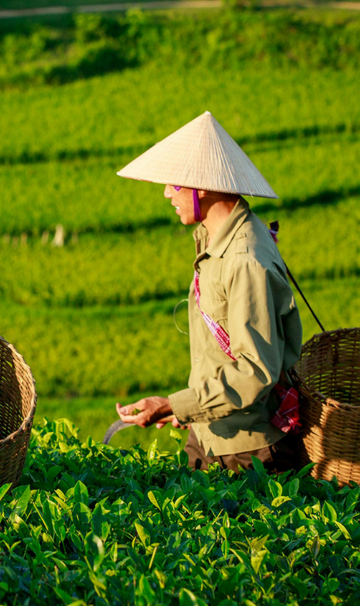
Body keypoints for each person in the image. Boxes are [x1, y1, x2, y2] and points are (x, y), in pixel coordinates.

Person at [114, 111, 304, 473]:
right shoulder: (217, 239)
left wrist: (174, 404)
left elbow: (255, 371)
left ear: (200, 185)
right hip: (209, 432)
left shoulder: (245, 260)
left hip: (246, 450)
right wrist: (187, 410)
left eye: (174, 184)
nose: (167, 193)